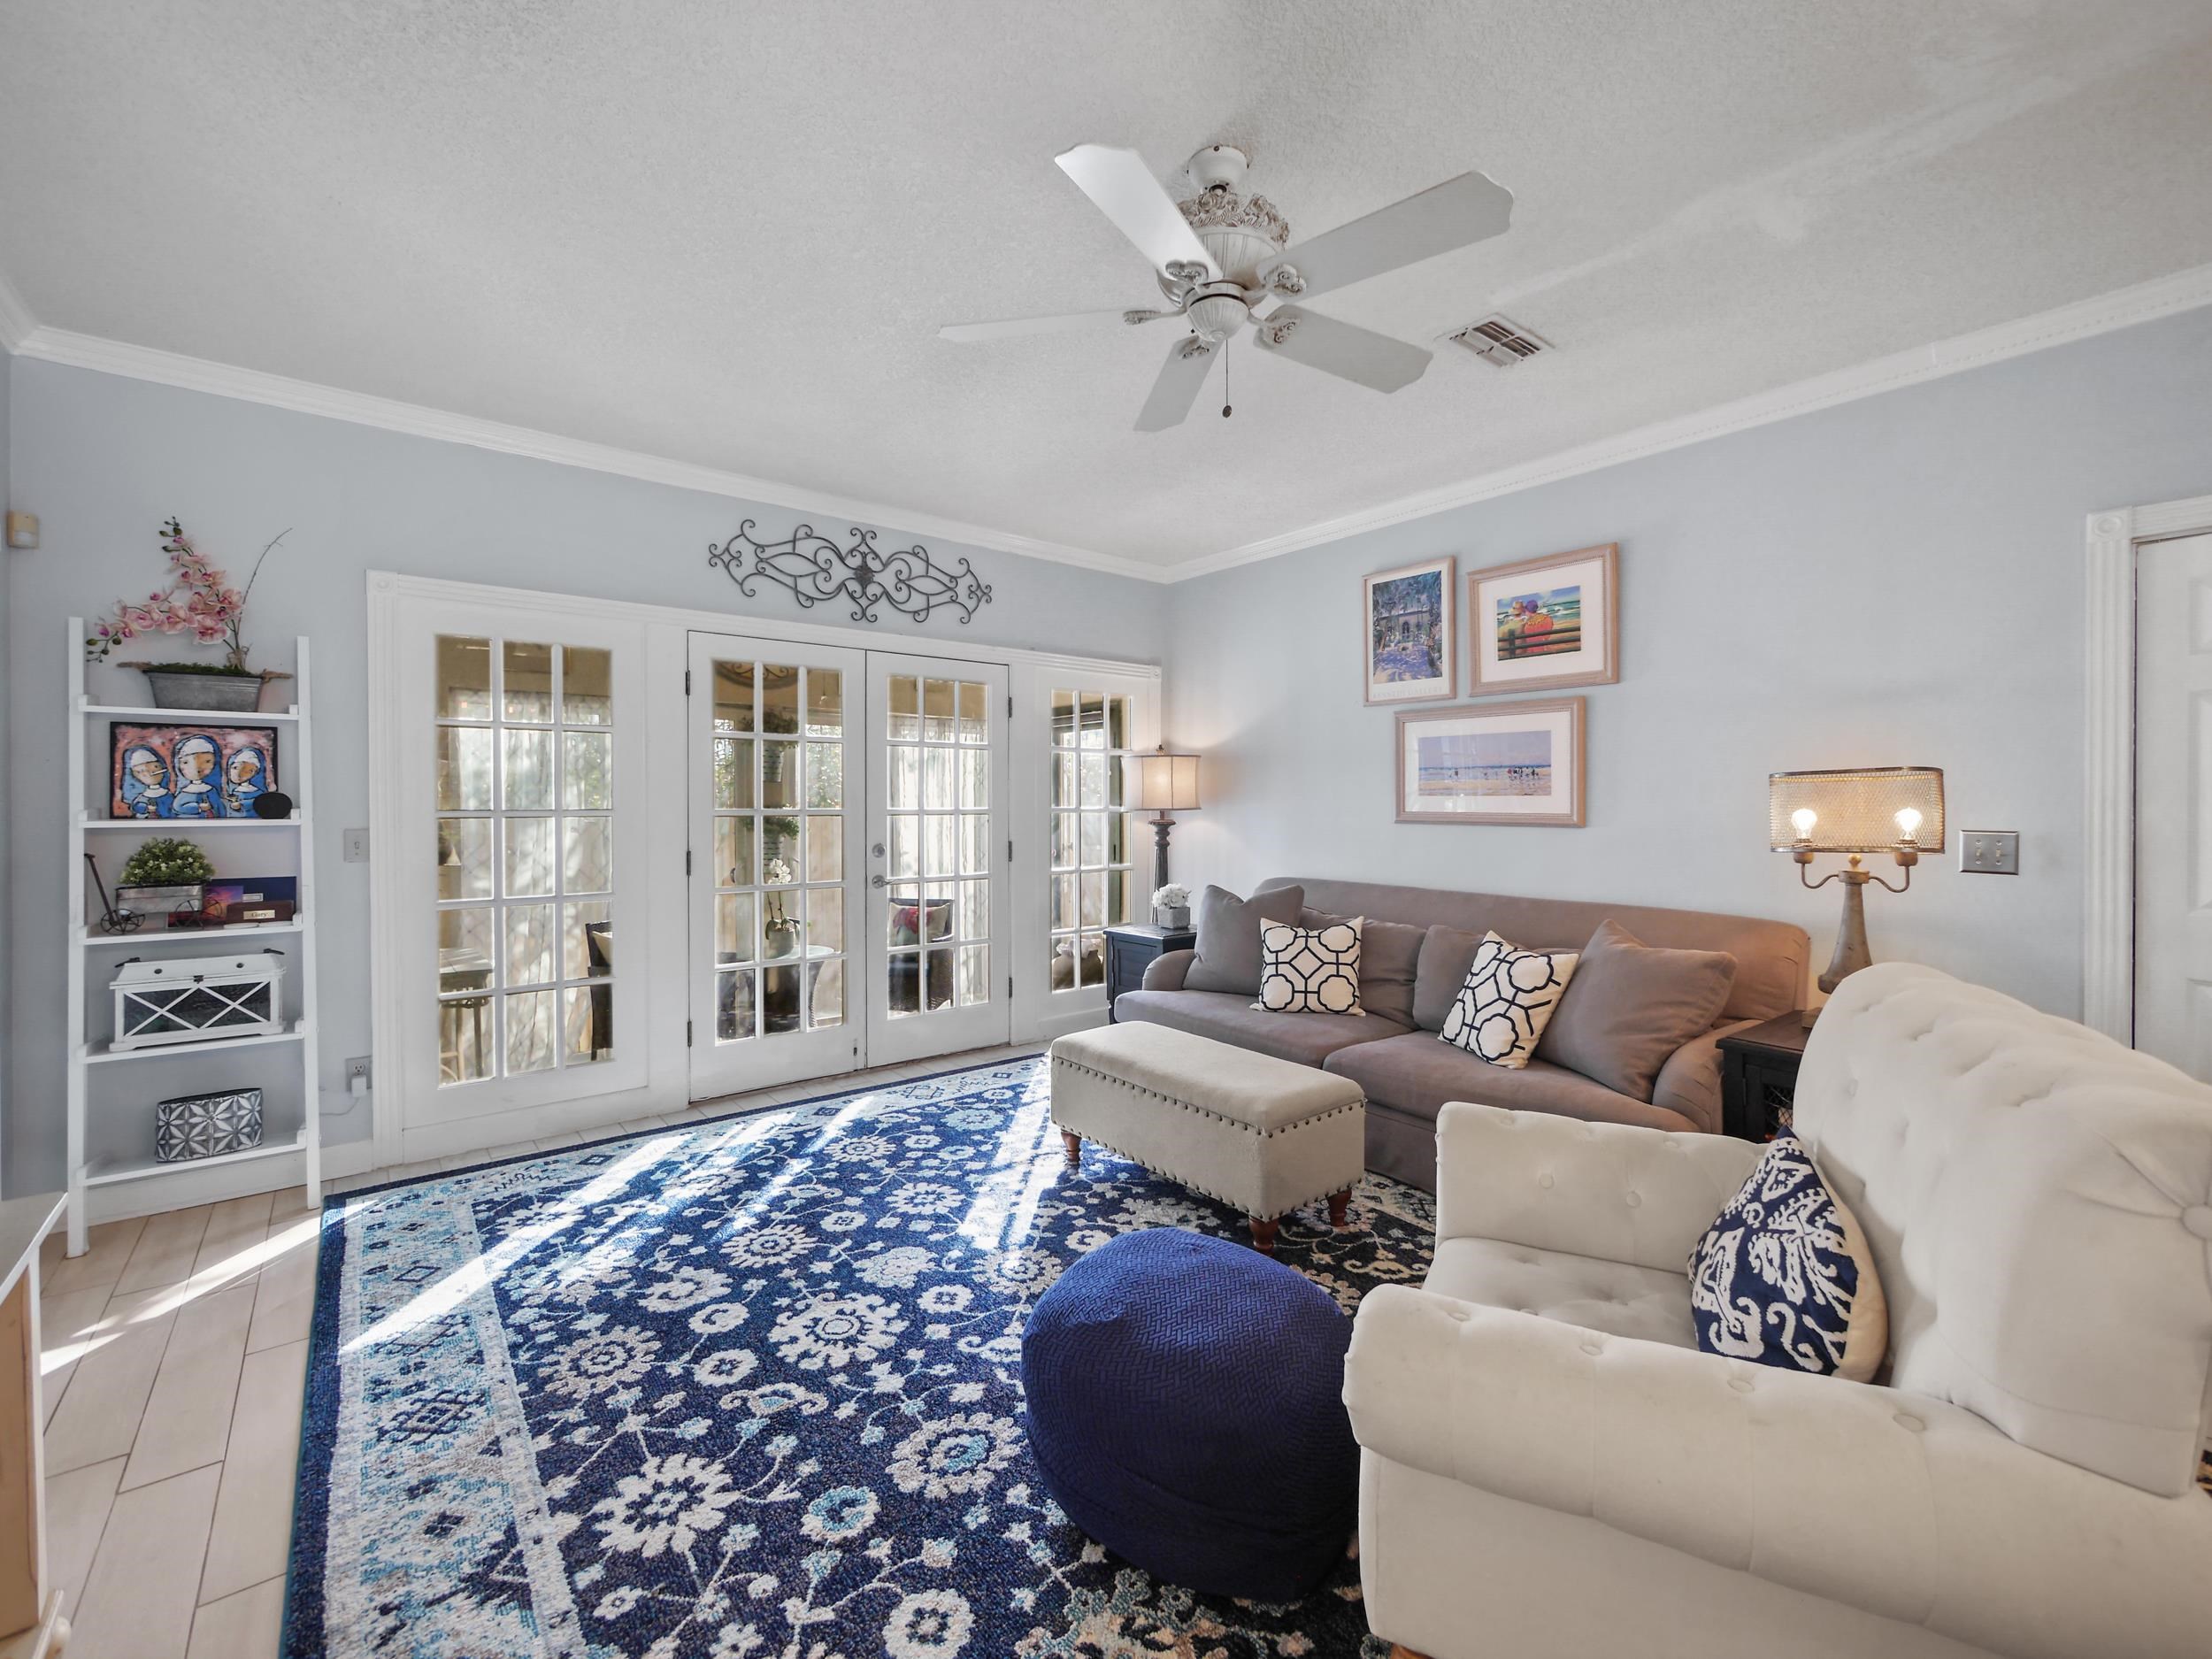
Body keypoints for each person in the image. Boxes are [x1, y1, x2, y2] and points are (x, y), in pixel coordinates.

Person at [168, 734, 221, 818]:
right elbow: (178, 806)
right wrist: (198, 807)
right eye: (186, 762)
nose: (197, 768)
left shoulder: (211, 789)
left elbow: (219, 806)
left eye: (207, 761)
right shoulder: (185, 791)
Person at [119, 744, 173, 818]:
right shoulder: (144, 796)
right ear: (136, 776)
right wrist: (146, 808)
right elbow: (137, 807)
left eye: (156, 767)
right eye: (141, 771)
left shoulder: (167, 793)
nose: (149, 773)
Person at [223, 745, 269, 817]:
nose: (239, 774)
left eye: (249, 770)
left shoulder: (256, 791)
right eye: (235, 768)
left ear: (255, 772)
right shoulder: (234, 791)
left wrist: (242, 805)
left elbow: (260, 802)